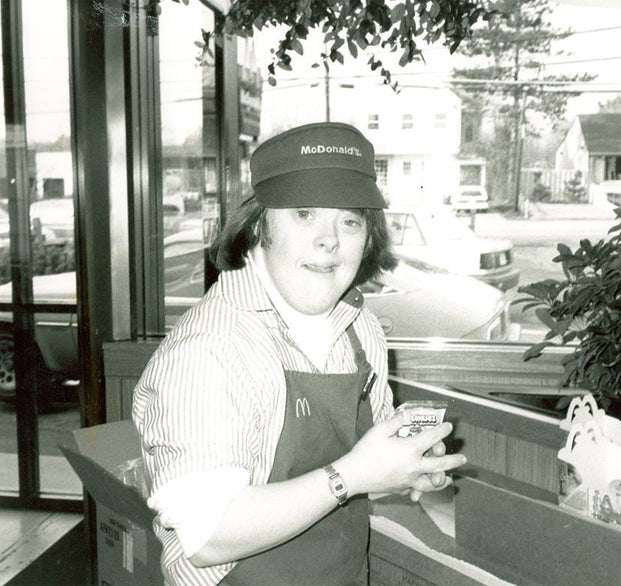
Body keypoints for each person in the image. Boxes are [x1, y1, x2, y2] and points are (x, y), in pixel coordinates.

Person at [132, 121, 467, 585]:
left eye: (350, 221)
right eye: (304, 213)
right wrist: (353, 474)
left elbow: (370, 466)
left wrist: (406, 471)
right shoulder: (208, 350)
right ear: (258, 227)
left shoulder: (360, 329)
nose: (329, 240)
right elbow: (208, 537)